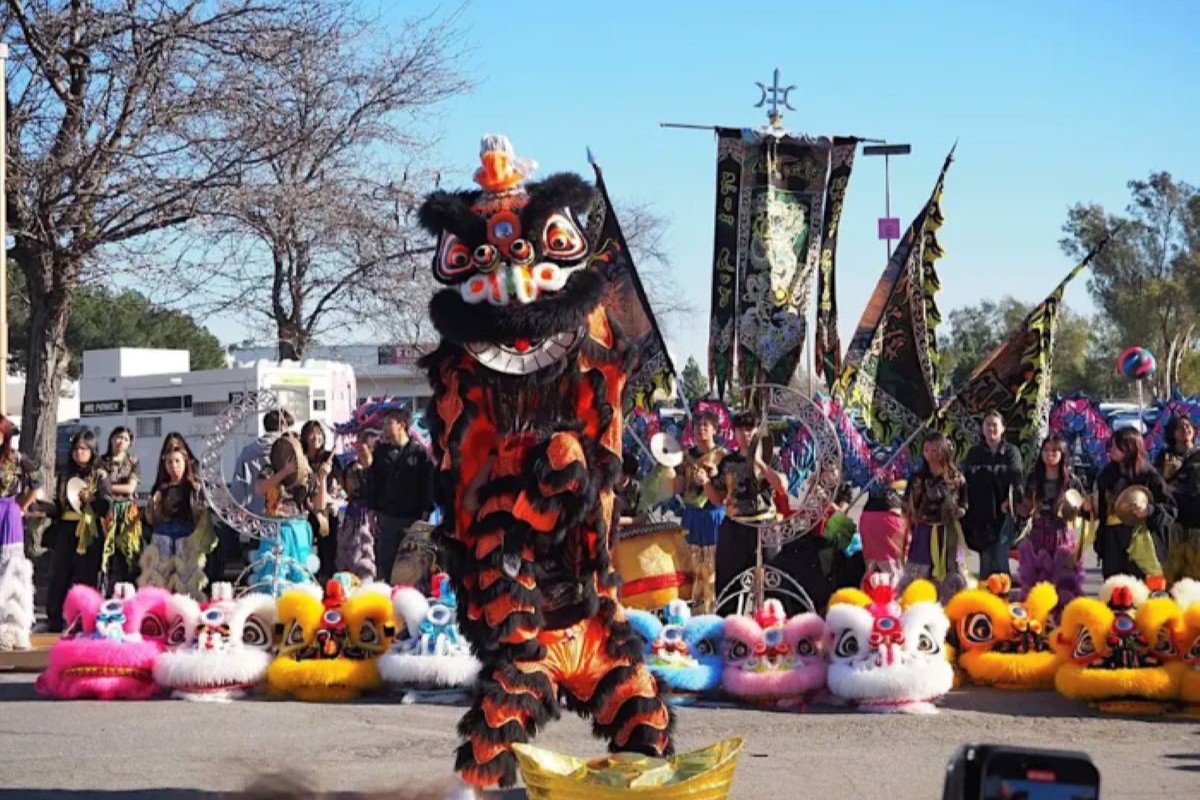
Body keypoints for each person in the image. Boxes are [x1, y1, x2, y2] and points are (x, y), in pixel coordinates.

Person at [701, 411, 786, 612]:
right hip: (735, 526)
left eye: (750, 429)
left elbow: (782, 487)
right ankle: (728, 630)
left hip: (765, 527)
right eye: (741, 429)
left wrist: (760, 464)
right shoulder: (727, 462)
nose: (746, 434)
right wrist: (706, 483)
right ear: (735, 433)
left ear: (757, 432)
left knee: (773, 581)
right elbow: (717, 499)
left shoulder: (770, 459)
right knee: (728, 584)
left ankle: (775, 629)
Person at [1016, 435, 1088, 612]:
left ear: (1062, 454)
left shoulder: (1072, 480)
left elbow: (1084, 507)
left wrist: (1087, 506)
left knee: (1063, 585)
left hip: (1062, 536)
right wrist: (1016, 507)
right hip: (1038, 537)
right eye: (1046, 450)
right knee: (1037, 585)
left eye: (1054, 450)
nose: (1049, 454)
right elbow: (1026, 506)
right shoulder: (1034, 479)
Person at [44, 432, 107, 632]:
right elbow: (59, 506)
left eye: (84, 448)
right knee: (59, 574)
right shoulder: (65, 475)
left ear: (92, 450)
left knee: (86, 576)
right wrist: (41, 508)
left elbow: (107, 505)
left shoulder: (99, 475)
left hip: (89, 531)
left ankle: (85, 618)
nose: (79, 452)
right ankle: (54, 619)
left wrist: (93, 501)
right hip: (65, 530)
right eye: (76, 449)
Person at [1095, 427, 1175, 580]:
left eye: (1116, 446)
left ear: (1130, 447)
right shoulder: (1106, 475)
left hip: (1141, 542)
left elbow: (1171, 509)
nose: (1111, 449)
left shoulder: (1149, 475)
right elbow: (1102, 512)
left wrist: (1149, 510)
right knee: (1115, 593)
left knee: (1141, 594)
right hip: (1113, 544)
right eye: (1111, 445)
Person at [366, 408, 434, 582]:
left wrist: (425, 514)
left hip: (411, 518)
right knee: (385, 564)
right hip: (387, 518)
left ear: (402, 424)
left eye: (389, 422)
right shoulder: (381, 453)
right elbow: (374, 484)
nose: (385, 426)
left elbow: (426, 486)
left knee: (412, 566)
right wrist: (372, 512)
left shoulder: (419, 453)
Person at [140, 438, 214, 597]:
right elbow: (151, 520)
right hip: (162, 540)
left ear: (185, 461)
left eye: (177, 461)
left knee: (186, 584)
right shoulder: (160, 488)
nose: (174, 466)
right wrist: (152, 507)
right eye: (169, 462)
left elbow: (202, 517)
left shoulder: (194, 487)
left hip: (185, 539)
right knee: (159, 583)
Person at [903, 432, 970, 603]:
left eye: (935, 450)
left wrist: (959, 511)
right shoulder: (917, 478)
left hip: (950, 533)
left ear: (945, 451)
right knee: (918, 574)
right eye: (927, 450)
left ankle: (953, 611)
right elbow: (906, 505)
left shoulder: (957, 478)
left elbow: (964, 503)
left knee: (956, 573)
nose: (931, 455)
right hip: (924, 532)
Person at [253, 432, 323, 589]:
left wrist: (323, 479)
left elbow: (318, 504)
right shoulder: (270, 469)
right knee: (274, 572)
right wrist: (284, 472)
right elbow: (259, 488)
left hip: (299, 526)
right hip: (276, 527)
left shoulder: (307, 473)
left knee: (300, 573)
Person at [961, 412, 1023, 580]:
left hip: (1004, 514)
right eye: (987, 424)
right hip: (981, 515)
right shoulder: (974, 452)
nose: (991, 428)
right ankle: (985, 604)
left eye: (995, 424)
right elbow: (968, 477)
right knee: (986, 562)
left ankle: (1003, 600)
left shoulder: (1012, 452)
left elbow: (1016, 477)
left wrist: (1010, 501)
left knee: (1002, 561)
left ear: (1003, 428)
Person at [677, 410, 726, 613]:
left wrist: (708, 481)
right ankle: (688, 615)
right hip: (691, 516)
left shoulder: (723, 457)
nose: (701, 429)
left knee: (712, 570)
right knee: (689, 569)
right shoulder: (685, 456)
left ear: (715, 429)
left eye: (706, 425)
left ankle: (712, 615)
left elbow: (721, 497)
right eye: (697, 425)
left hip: (713, 516)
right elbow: (678, 488)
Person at [0, 416, 42, 649]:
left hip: (8, 512)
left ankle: (11, 630)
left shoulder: (16, 458)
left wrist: (21, 506)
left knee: (10, 570)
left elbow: (38, 481)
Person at [1154, 414, 1200, 582]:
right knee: (1174, 574)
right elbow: (1156, 487)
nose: (1186, 429)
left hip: (1197, 523)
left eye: (1189, 426)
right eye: (1180, 427)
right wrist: (1167, 477)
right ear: (1173, 433)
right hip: (1174, 523)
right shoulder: (1164, 457)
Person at [98, 426, 141, 591]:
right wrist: (111, 488)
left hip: (128, 513)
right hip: (107, 511)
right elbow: (100, 487)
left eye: (125, 438)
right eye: (117, 437)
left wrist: (109, 487)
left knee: (129, 551)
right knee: (107, 553)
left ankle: (129, 589)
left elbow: (130, 488)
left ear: (130, 443)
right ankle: (106, 590)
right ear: (111, 439)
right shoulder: (101, 462)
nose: (120, 441)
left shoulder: (133, 462)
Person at [232, 410, 294, 515]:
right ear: (283, 425)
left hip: (252, 515)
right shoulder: (285, 450)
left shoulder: (247, 451)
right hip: (279, 513)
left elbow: (237, 488)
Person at [300, 420, 340, 583]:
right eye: (311, 433)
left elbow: (338, 484)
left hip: (326, 513)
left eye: (318, 433)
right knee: (307, 552)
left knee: (327, 551)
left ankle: (327, 581)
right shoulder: (300, 460)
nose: (315, 437)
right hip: (305, 513)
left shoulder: (330, 459)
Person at [336, 431, 379, 580]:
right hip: (352, 515)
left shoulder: (379, 467)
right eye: (359, 443)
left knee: (367, 553)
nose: (361, 447)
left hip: (370, 516)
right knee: (347, 554)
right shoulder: (351, 468)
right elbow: (347, 489)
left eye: (365, 444)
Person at [858, 479, 909, 580]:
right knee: (897, 571)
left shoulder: (865, 464)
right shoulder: (907, 464)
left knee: (872, 571)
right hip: (895, 515)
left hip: (869, 515)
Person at [614, 453, 642, 527]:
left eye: (618, 471)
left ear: (627, 475)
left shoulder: (636, 490)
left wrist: (619, 521)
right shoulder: (607, 478)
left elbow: (642, 519)